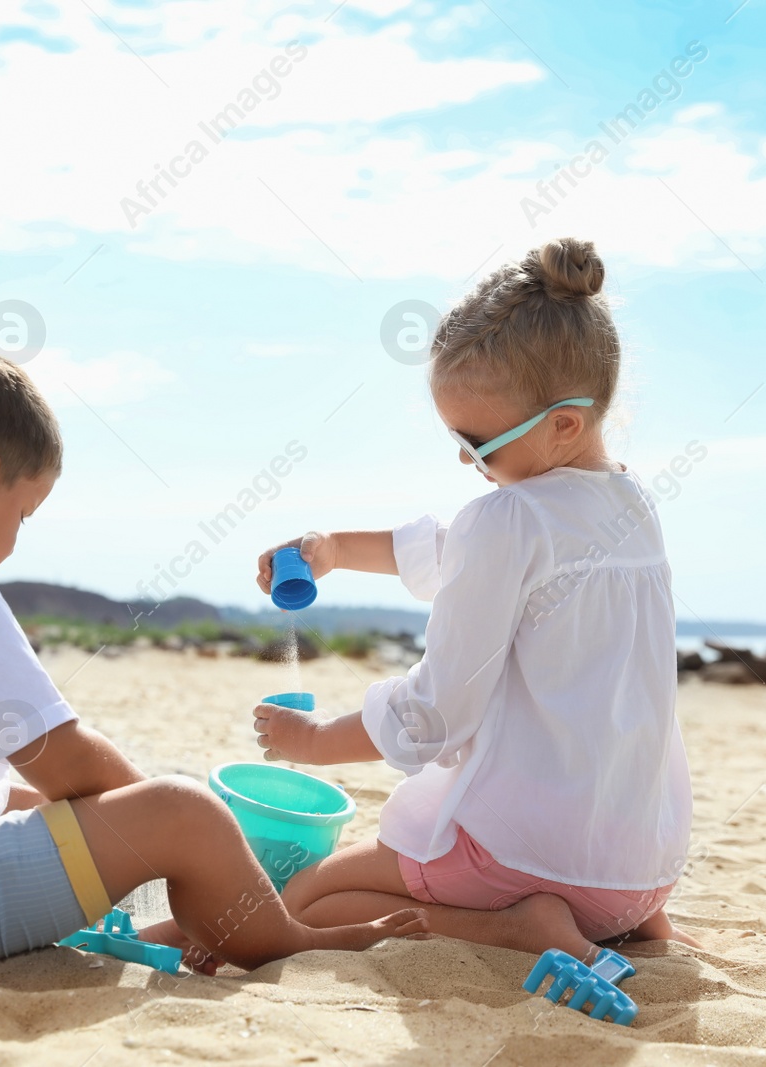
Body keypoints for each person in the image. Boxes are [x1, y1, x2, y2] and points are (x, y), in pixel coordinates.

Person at [0, 340, 427, 974]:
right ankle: (284, 939)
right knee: (185, 810)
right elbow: (65, 760)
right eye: (23, 513)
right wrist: (149, 815)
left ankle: (181, 922)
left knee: (21, 797)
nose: (15, 538)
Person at [253, 238, 699, 965]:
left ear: (562, 424)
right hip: (638, 872)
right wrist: (334, 546)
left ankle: (517, 927)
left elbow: (435, 714)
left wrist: (314, 743)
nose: (465, 459)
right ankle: (624, 925)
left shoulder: (508, 519)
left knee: (311, 897)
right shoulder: (632, 504)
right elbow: (459, 550)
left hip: (532, 857)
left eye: (477, 441)